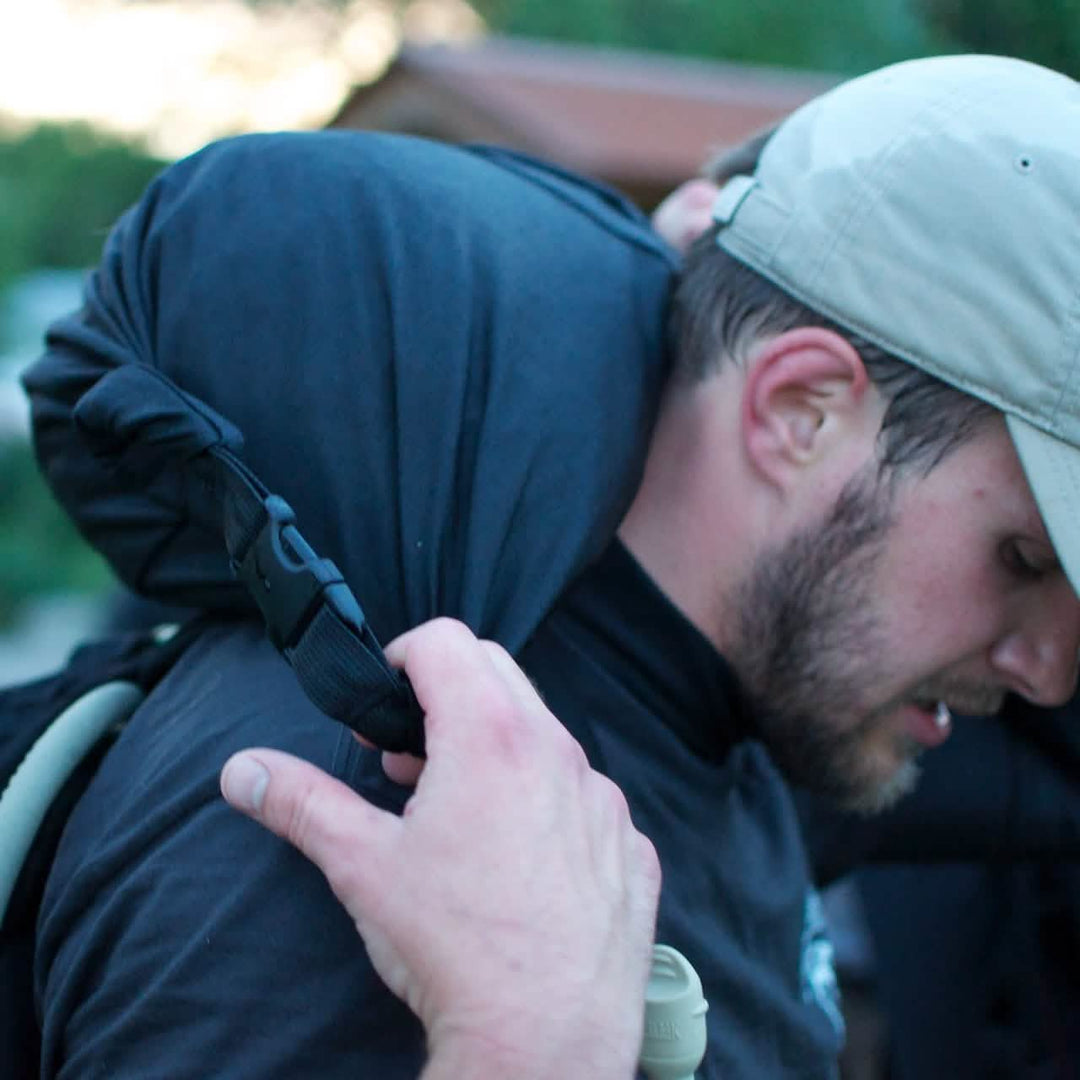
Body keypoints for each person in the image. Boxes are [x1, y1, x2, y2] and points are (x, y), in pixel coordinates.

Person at [21, 53, 1080, 1079]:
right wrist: (522, 1048)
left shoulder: (747, 713)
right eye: (1025, 556)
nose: (1050, 669)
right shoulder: (351, 811)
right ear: (799, 411)